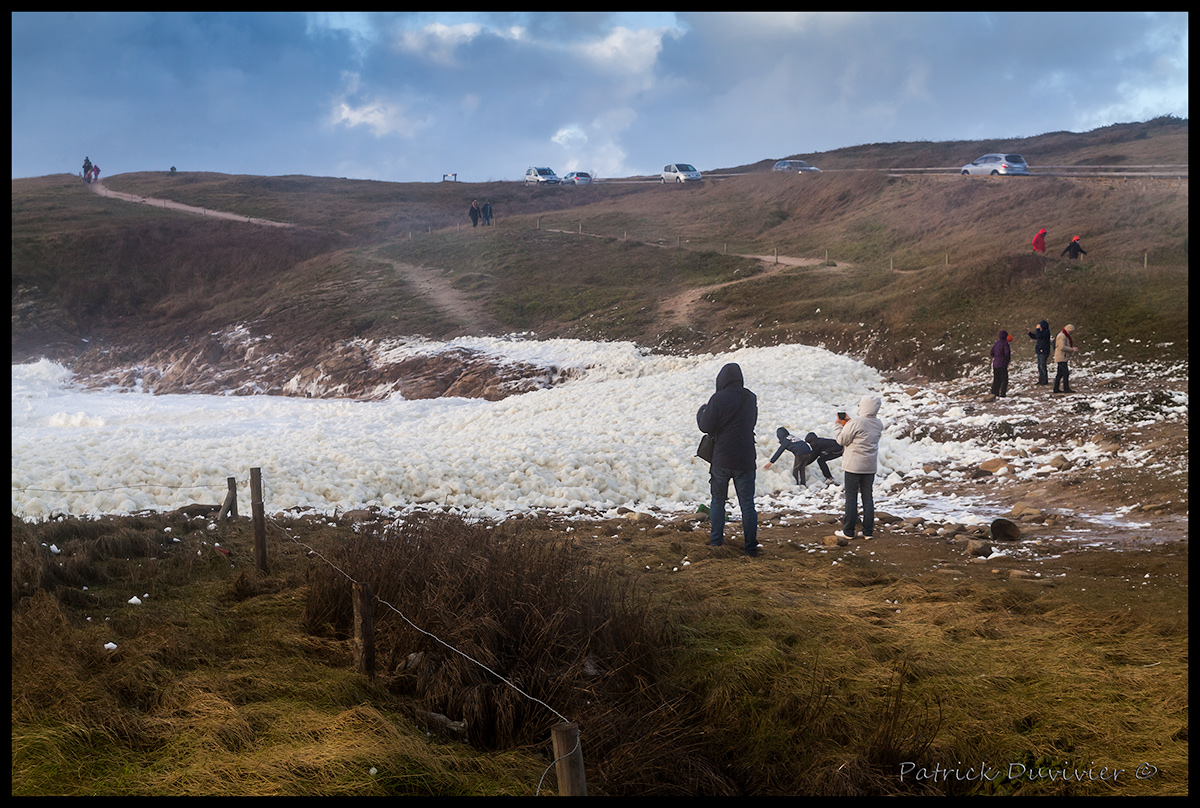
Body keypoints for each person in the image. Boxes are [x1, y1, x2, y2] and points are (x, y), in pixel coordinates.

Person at [697, 362, 759, 556]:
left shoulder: (718, 398)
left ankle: (716, 542)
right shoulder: (750, 397)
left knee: (718, 501)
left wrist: (702, 411)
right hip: (746, 459)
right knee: (747, 504)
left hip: (722, 459)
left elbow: (706, 426)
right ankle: (751, 548)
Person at [833, 395, 883, 540]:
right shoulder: (878, 423)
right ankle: (868, 532)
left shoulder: (855, 423)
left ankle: (848, 531)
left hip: (853, 466)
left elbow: (842, 440)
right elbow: (863, 432)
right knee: (868, 498)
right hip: (870, 467)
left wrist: (838, 425)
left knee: (851, 498)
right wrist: (849, 423)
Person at [1052, 324, 1078, 394]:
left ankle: (1056, 388)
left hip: (1062, 357)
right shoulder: (1062, 336)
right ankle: (1066, 388)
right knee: (1065, 373)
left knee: (1060, 374)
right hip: (1061, 357)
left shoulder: (1063, 335)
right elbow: (1062, 347)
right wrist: (1072, 349)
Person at [1027, 319, 1052, 385]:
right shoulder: (1041, 333)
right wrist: (1030, 333)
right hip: (1040, 351)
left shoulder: (1046, 332)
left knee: (1043, 366)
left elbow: (1039, 335)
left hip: (1044, 351)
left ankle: (1045, 380)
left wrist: (1037, 329)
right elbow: (1036, 336)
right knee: (1039, 366)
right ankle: (1041, 380)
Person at [989, 330, 1013, 398]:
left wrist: (996, 357)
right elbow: (1007, 353)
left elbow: (991, 353)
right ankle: (1002, 394)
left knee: (996, 379)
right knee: (1004, 380)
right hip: (1002, 364)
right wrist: (1007, 360)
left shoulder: (996, 343)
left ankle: (994, 393)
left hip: (995, 364)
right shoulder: (1005, 343)